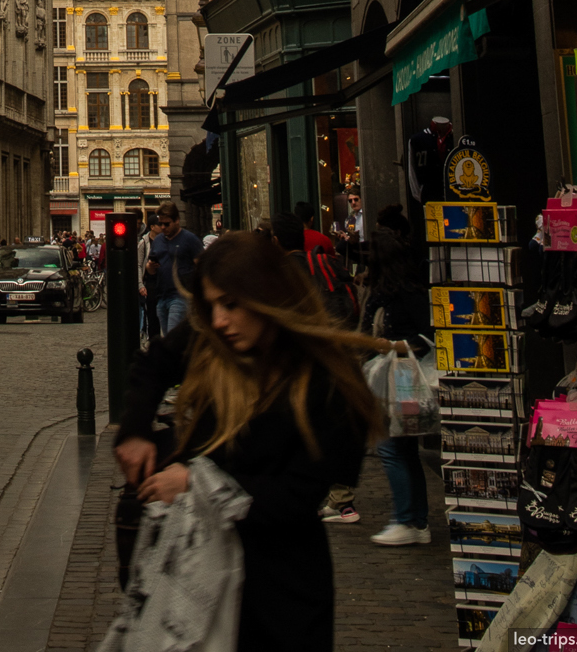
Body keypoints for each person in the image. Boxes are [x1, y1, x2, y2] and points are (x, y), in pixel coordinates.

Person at [114, 231, 380, 652]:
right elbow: (153, 365)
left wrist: (196, 486)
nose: (219, 320)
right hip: (197, 575)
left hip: (278, 590)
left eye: (232, 304)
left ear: (268, 297)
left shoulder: (328, 386)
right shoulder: (211, 340)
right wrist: (134, 431)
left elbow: (297, 497)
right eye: (212, 305)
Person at [362, 227, 433, 547]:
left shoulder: (397, 293)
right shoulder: (406, 289)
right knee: (404, 447)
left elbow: (425, 337)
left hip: (400, 377)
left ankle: (407, 519)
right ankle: (415, 520)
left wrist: (392, 345)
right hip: (398, 375)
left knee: (392, 446)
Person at [144, 204, 203, 339]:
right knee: (168, 338)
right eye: (161, 224)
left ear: (177, 220)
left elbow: (201, 265)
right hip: (161, 295)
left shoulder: (189, 239)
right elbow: (150, 269)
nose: (163, 227)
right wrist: (150, 268)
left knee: (172, 337)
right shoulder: (158, 240)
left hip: (180, 295)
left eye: (167, 224)